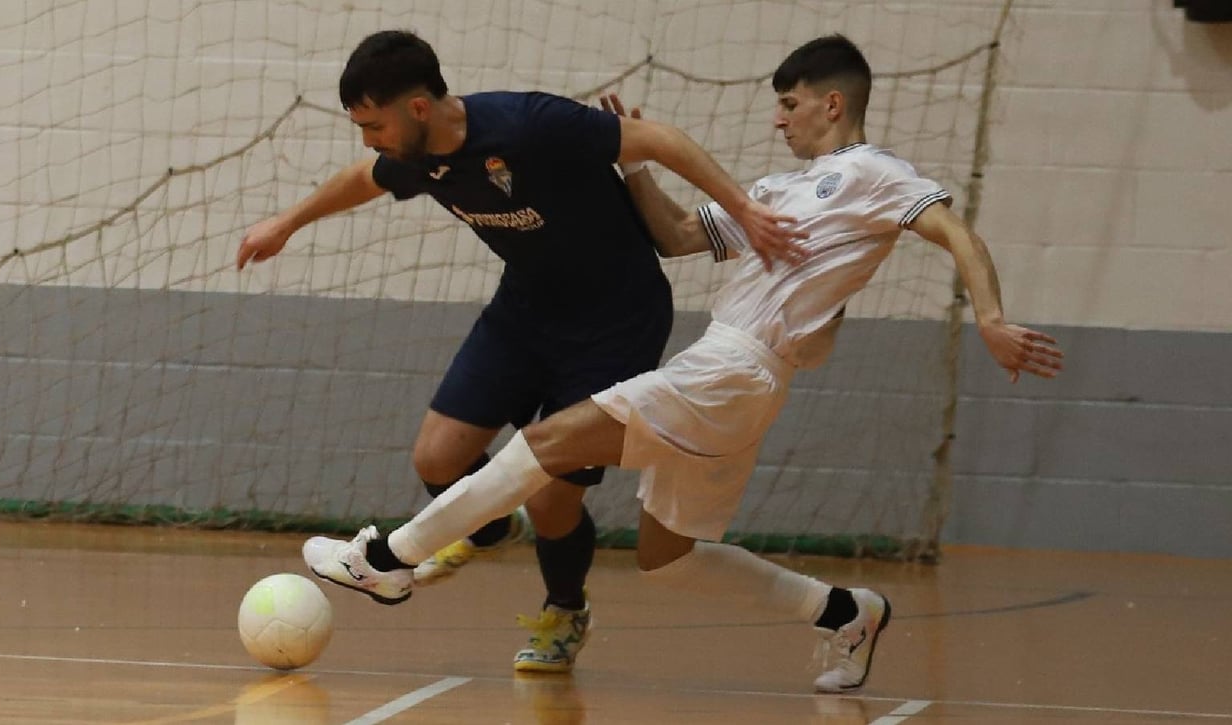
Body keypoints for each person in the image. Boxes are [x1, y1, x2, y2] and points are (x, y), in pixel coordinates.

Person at [301, 34, 1064, 692]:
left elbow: (954, 231)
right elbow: (672, 235)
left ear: (833, 104)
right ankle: (847, 612)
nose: (779, 118)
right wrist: (634, 163)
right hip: (731, 370)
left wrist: (990, 317)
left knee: (546, 444)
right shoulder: (776, 190)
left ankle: (388, 558)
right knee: (668, 558)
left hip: (739, 366)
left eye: (790, 104)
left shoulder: (872, 172)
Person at [237, 30, 805, 673]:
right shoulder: (414, 154)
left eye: (374, 125)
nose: (370, 140)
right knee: (437, 457)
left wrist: (743, 210)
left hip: (615, 322)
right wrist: (286, 223)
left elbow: (659, 140)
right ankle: (485, 526)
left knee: (550, 499)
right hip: (526, 310)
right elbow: (361, 179)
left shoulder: (531, 124)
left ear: (418, 107)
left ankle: (566, 608)